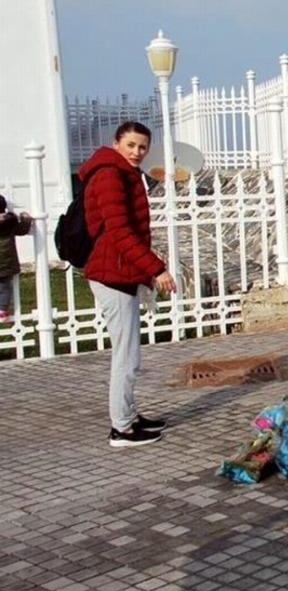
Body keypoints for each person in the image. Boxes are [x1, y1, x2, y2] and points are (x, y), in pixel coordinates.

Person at [81, 121, 177, 447]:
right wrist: (157, 269)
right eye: (131, 145)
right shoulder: (110, 174)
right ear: (117, 143)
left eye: (142, 147)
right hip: (112, 275)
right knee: (125, 357)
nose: (137, 152)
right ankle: (121, 428)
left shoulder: (122, 171)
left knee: (130, 355)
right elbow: (120, 233)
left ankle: (129, 415)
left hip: (120, 273)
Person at [0, 195, 33, 321]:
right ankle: (2, 310)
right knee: (4, 287)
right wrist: (26, 219)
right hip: (7, 263)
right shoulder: (10, 222)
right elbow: (22, 230)